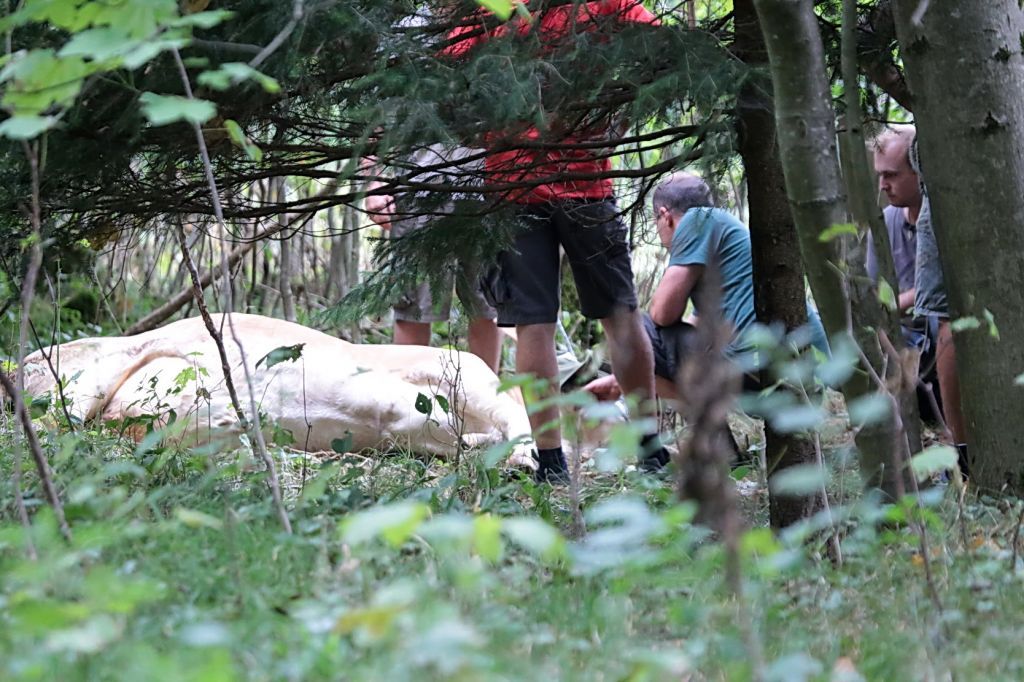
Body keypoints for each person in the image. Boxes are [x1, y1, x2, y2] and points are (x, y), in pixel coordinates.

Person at [446, 1, 668, 481]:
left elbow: (450, 85)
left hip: (518, 183)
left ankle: (552, 464)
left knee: (537, 325)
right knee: (618, 316)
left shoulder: (491, 10)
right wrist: (616, 110)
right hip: (577, 184)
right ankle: (650, 452)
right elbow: (662, 48)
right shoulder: (600, 3)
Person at [584, 173, 828, 405]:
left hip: (766, 366)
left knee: (640, 329)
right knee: (659, 342)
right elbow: (694, 327)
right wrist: (621, 381)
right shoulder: (719, 234)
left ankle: (707, 435)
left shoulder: (697, 220)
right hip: (801, 372)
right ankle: (712, 434)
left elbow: (661, 314)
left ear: (665, 216)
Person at [870, 125, 967, 473]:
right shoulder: (886, 223)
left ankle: (960, 452)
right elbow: (875, 300)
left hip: (947, 348)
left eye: (892, 175)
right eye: (880, 175)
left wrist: (906, 299)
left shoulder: (948, 217)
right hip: (907, 347)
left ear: (920, 172)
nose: (883, 185)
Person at [365, 146, 502, 372]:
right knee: (413, 305)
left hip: (487, 182)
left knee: (487, 304)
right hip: (417, 183)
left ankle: (485, 392)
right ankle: (407, 392)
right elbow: (372, 126)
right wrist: (374, 180)